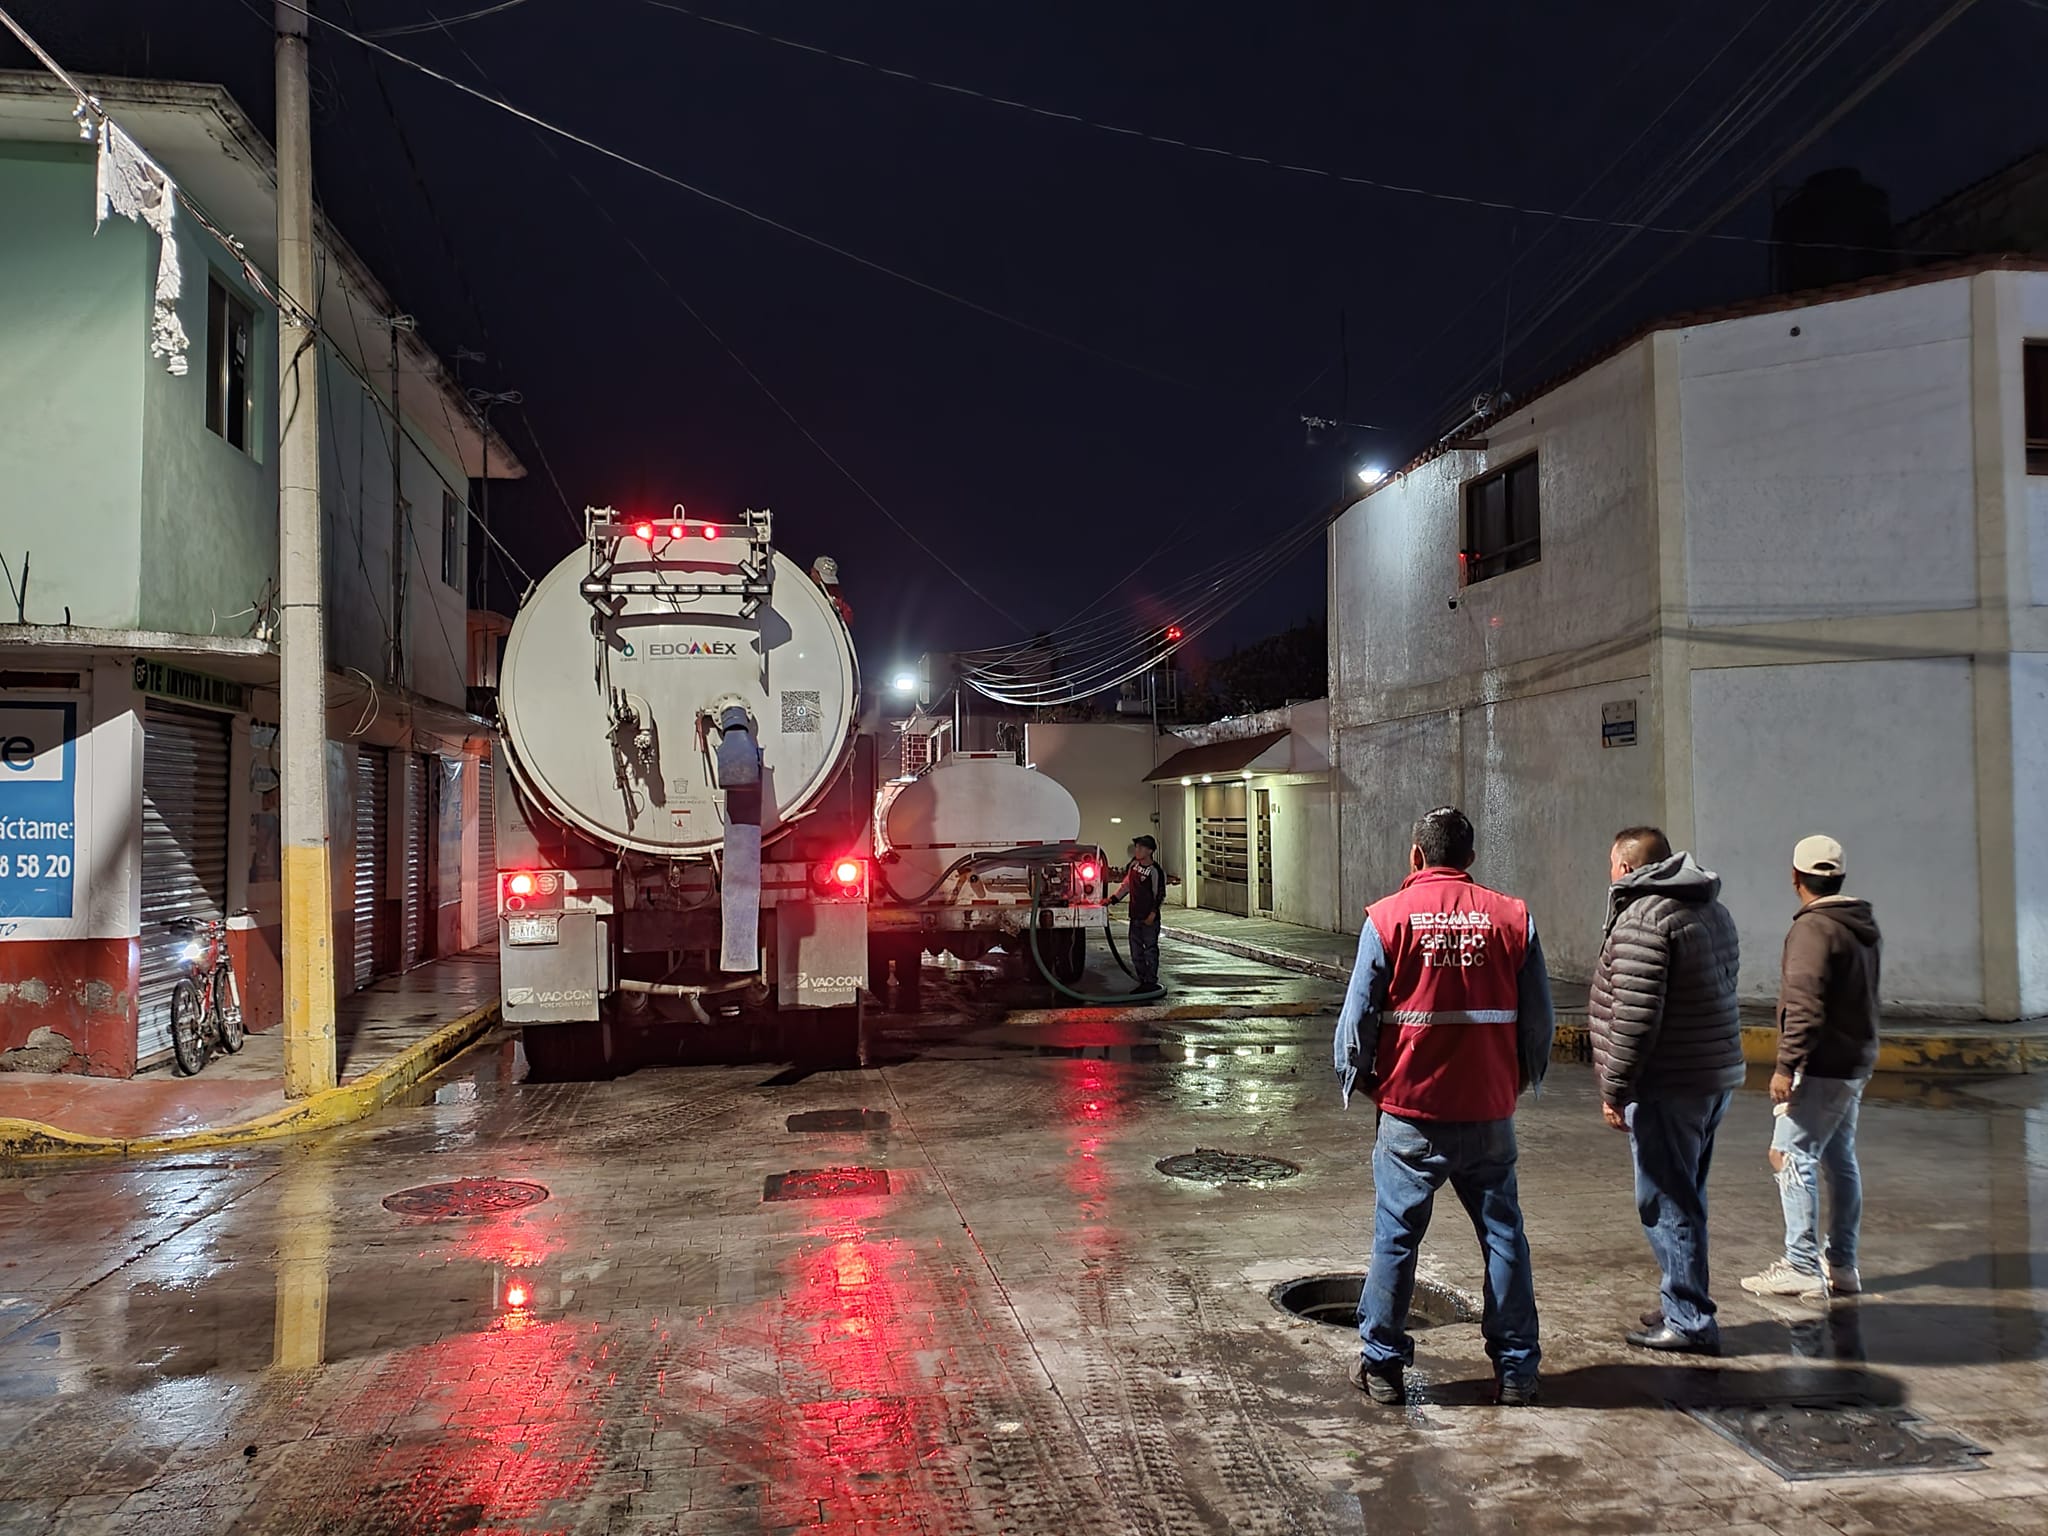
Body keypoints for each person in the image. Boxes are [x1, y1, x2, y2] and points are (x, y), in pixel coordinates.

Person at [1333, 807, 1555, 1408]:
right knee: (1504, 1235)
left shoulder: (1387, 919)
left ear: (1415, 856)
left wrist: (1358, 1079)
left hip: (1410, 1110)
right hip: (1487, 1110)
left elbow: (1357, 1020)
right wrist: (1521, 1081)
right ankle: (1516, 1371)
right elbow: (1539, 1021)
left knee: (1396, 1239)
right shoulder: (1513, 918)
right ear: (1471, 860)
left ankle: (1382, 1366)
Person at [1589, 826, 1744, 1356]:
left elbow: (1634, 1017)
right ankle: (1684, 1296)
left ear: (1627, 868)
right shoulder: (1708, 909)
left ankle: (1689, 1318)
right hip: (1709, 1076)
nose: (1609, 873)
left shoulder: (1644, 919)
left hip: (1668, 1083)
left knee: (1666, 1200)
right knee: (1687, 1193)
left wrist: (1615, 1087)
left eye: (1611, 864)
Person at [1741, 835, 1880, 1302]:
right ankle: (1841, 1263)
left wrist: (1786, 1066)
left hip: (1821, 1064)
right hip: (1854, 1061)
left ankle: (1802, 1264)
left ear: (1796, 877)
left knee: (1789, 1155)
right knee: (1839, 1160)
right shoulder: (1858, 924)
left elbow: (1803, 1004)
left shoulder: (1812, 930)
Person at [1109, 836, 1168, 992]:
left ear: (1150, 851)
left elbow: (1159, 894)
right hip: (1134, 916)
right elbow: (1126, 885)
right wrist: (1112, 899)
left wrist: (1153, 913)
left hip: (1148, 918)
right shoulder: (1133, 866)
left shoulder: (1155, 871)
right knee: (1136, 952)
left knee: (1150, 950)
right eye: (1137, 847)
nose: (1137, 851)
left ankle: (1151, 981)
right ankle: (1143, 980)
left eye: (1141, 848)